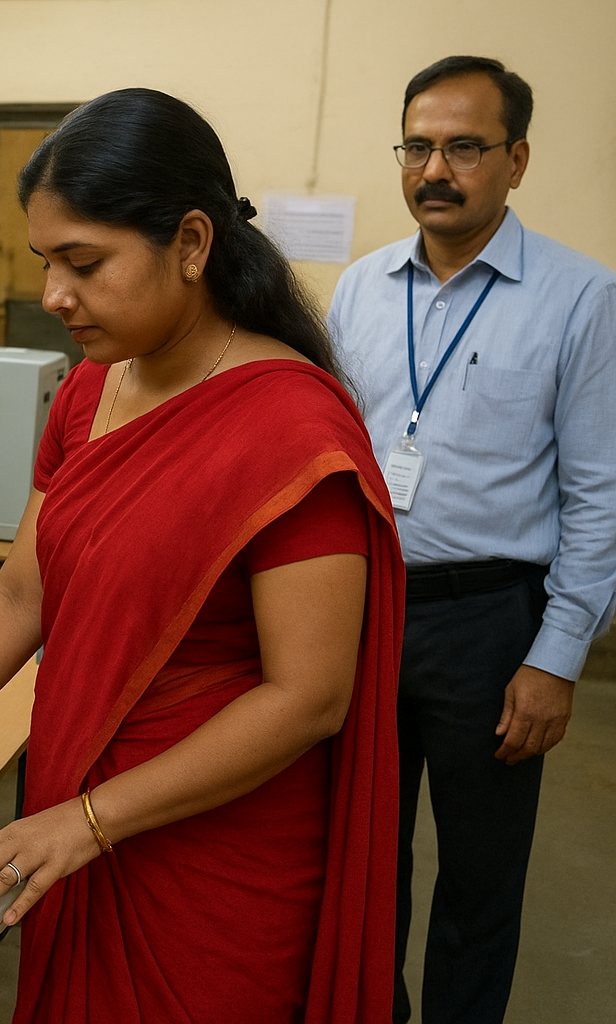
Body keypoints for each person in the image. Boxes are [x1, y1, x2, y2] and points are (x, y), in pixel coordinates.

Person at [0, 89, 406, 1024]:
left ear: (191, 243)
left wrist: (87, 822)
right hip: (72, 811)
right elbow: (19, 595)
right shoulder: (88, 393)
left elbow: (308, 697)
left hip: (208, 845)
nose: (53, 296)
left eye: (84, 264)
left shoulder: (290, 429)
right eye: (46, 263)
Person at [326, 56, 616, 1024]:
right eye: (416, 147)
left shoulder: (583, 298)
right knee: (363, 861)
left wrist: (556, 659)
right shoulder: (361, 289)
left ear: (516, 160)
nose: (434, 170)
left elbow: (600, 496)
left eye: (463, 148)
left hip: (492, 625)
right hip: (365, 612)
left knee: (480, 879)